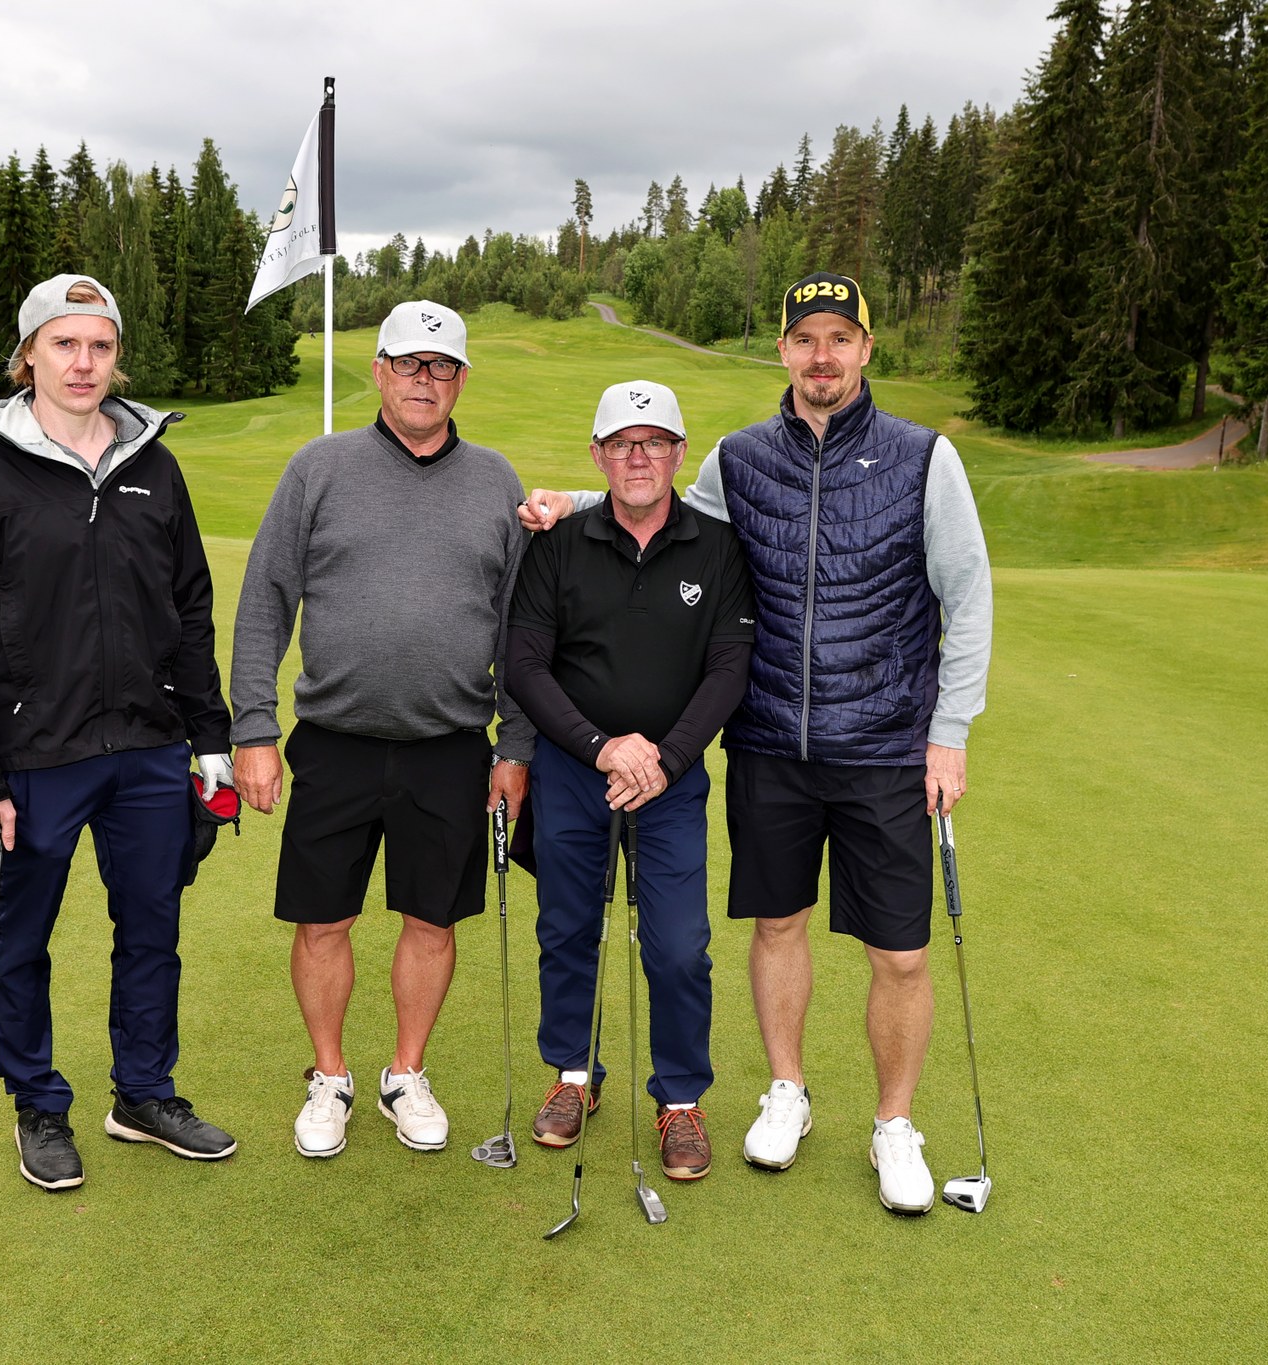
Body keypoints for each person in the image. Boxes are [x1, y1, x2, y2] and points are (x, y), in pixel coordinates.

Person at [520, 272, 992, 1213]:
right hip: (772, 741)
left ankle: (895, 1123)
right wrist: (568, 501)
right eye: (806, 338)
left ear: (866, 349)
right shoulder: (740, 459)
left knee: (900, 953)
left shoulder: (924, 456)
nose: (823, 356)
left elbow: (968, 593)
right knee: (778, 926)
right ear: (782, 350)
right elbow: (654, 504)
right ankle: (787, 1091)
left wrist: (949, 734)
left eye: (840, 338)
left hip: (885, 744)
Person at [0, 273, 240, 1192]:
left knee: (152, 930)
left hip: (148, 747)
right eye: (64, 343)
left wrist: (209, 739)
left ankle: (143, 1093)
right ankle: (38, 1104)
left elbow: (190, 611)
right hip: (34, 756)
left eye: (100, 345)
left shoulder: (155, 466)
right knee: (24, 941)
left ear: (117, 356)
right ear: (29, 356)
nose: (84, 362)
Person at [230, 300, 533, 1159]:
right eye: (408, 363)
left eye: (441, 367)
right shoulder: (319, 468)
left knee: (431, 920)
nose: (424, 380)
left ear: (461, 380)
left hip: (450, 746)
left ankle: (406, 1072)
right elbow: (264, 601)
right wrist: (253, 728)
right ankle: (330, 1076)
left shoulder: (497, 481)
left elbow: (522, 632)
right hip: (336, 740)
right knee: (323, 919)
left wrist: (515, 746)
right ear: (380, 371)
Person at [505, 380, 755, 1182]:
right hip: (574, 771)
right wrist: (601, 746)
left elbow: (729, 667)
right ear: (597, 455)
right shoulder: (558, 543)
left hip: (670, 781)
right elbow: (524, 662)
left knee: (678, 946)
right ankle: (573, 1074)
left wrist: (665, 759)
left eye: (653, 442)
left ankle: (680, 1098)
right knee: (567, 930)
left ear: (680, 454)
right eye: (620, 443)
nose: (637, 457)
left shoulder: (718, 547)